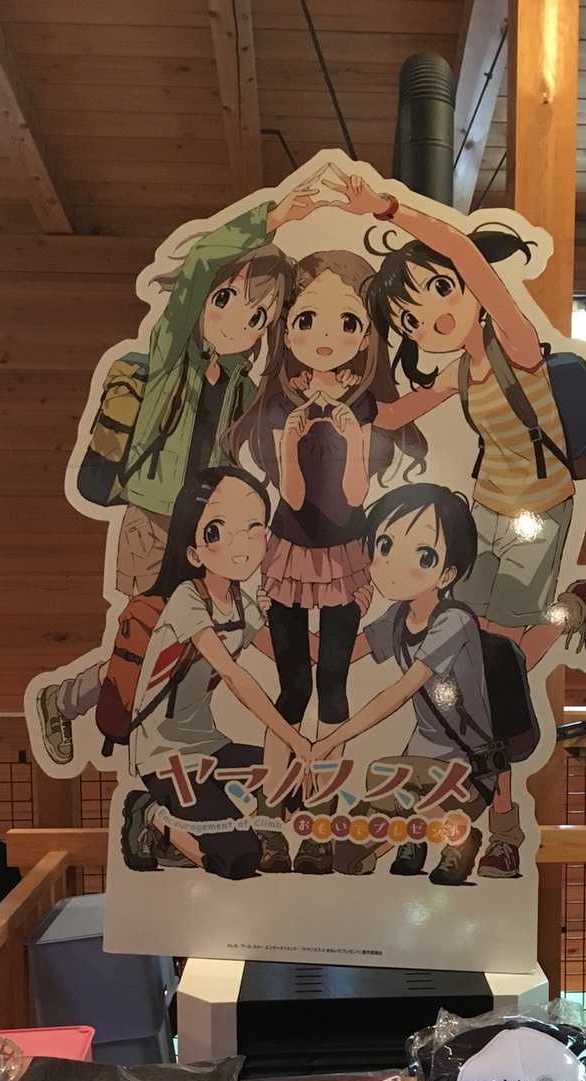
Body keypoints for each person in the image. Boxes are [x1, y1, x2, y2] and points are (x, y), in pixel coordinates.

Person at [320, 168, 586, 880]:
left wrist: (388, 209)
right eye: (412, 319)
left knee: (500, 656)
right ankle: (494, 807)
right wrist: (338, 405)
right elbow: (397, 412)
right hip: (484, 511)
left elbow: (464, 252)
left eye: (440, 292)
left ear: (467, 288)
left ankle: (566, 616)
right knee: (477, 657)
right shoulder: (460, 374)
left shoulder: (516, 345)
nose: (432, 319)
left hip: (538, 515)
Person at [35, 178, 325, 767]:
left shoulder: (239, 383)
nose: (237, 321)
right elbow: (199, 263)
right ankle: (67, 703)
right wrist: (272, 217)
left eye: (257, 315)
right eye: (226, 300)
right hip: (151, 520)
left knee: (188, 644)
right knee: (144, 639)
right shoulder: (173, 357)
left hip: (202, 530)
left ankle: (150, 740)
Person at [230, 249, 426, 876]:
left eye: (347, 323)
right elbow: (290, 499)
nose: (325, 339)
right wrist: (291, 440)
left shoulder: (362, 407)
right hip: (290, 551)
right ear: (287, 329)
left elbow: (354, 496)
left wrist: (354, 439)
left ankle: (322, 818)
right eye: (306, 320)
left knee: (334, 684)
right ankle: (271, 815)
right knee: (292, 685)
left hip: (344, 553)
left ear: (366, 336)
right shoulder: (276, 408)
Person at [312, 483, 510, 886]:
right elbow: (330, 653)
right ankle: (417, 836)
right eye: (384, 546)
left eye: (423, 556)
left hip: (468, 770)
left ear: (447, 573)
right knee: (346, 856)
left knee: (381, 773)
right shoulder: (398, 617)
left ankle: (458, 836)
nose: (394, 565)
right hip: (417, 772)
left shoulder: (454, 621)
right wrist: (264, 620)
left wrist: (330, 740)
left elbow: (400, 692)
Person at [118, 465, 311, 880]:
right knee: (240, 860)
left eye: (253, 528)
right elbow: (237, 679)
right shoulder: (188, 599)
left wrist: (358, 627)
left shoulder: (242, 604)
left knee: (293, 781)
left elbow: (297, 654)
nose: (242, 544)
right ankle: (150, 815)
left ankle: (213, 815)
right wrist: (295, 738)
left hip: (210, 747)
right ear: (194, 552)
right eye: (218, 531)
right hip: (164, 754)